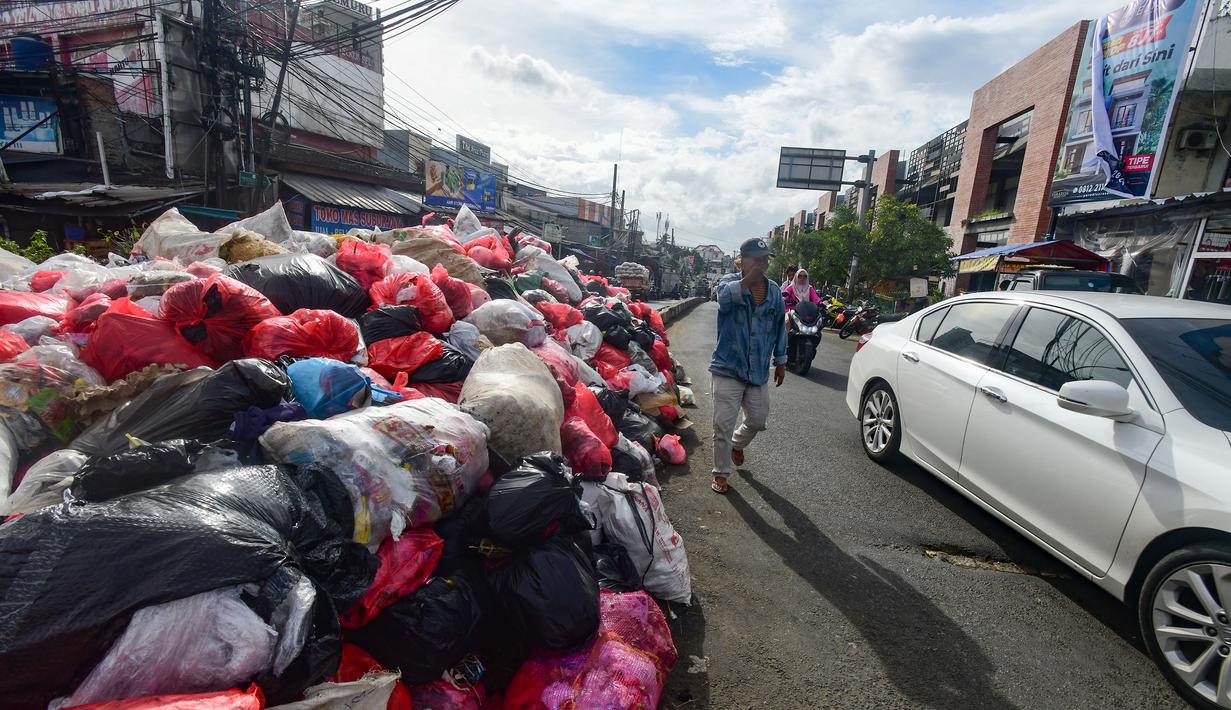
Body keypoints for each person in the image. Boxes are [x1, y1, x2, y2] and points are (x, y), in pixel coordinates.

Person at [709, 238, 787, 494]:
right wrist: (746, 281)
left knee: (758, 419)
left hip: (757, 371)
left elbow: (779, 327)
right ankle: (721, 472)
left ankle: (737, 444)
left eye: (765, 259)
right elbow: (723, 300)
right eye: (757, 258)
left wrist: (781, 361)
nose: (763, 263)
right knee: (722, 425)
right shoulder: (728, 283)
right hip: (728, 367)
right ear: (743, 259)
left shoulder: (774, 290)